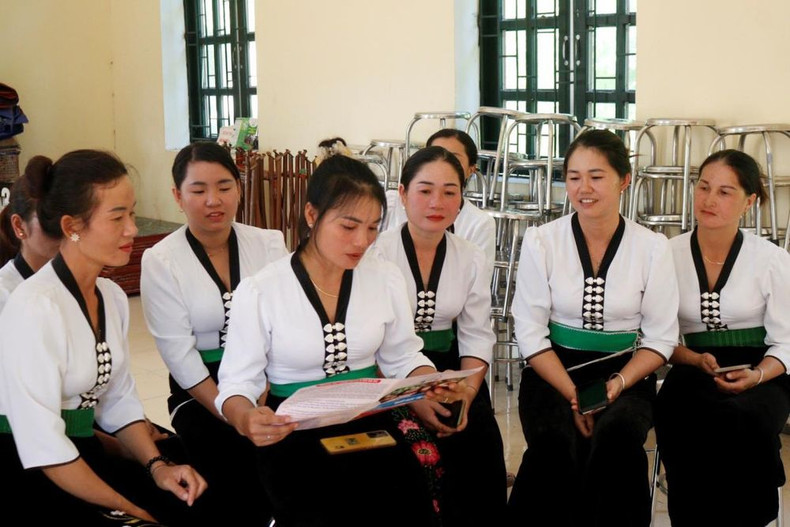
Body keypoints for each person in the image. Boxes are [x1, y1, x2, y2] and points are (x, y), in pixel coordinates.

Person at [216, 154, 465, 527]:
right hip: (294, 428)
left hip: (372, 414)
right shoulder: (262, 290)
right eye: (348, 226)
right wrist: (246, 417)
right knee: (323, 504)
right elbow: (237, 383)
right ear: (312, 215)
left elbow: (403, 354)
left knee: (409, 493)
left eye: (372, 228)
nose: (361, 241)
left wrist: (429, 384)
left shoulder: (384, 277)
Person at [0, 150, 207, 525]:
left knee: (193, 495)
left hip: (82, 446)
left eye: (132, 213)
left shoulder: (111, 297)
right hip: (30, 461)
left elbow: (118, 400)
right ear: (71, 226)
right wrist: (126, 506)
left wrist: (158, 467)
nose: (132, 228)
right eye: (117, 217)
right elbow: (42, 442)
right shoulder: (34, 306)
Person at [507, 129, 680, 527]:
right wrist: (575, 396)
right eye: (573, 177)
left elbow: (659, 339)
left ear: (624, 179)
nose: (584, 188)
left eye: (597, 177)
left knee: (617, 441)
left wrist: (615, 386)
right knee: (554, 444)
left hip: (625, 372)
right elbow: (530, 332)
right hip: (553, 371)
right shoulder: (541, 241)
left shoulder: (653, 247)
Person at [140, 141, 288, 525]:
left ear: (239, 188)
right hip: (202, 390)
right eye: (198, 190)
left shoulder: (269, 243)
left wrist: (259, 396)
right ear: (177, 196)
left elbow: (285, 326)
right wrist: (234, 411)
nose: (213, 200)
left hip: (270, 380)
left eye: (224, 187)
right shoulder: (160, 260)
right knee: (230, 460)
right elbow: (179, 355)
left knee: (298, 458)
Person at [369, 145, 508, 525]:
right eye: (425, 190)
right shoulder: (375, 254)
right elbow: (375, 343)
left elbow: (478, 336)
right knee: (407, 456)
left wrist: (467, 391)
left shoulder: (471, 256)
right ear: (402, 194)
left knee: (479, 444)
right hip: (388, 375)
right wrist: (414, 395)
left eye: (450, 191)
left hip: (452, 373)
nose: (437, 202)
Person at [653, 149, 790, 527]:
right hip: (692, 366)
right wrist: (694, 359)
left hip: (762, 371)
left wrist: (758, 374)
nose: (709, 200)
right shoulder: (666, 254)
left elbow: (788, 342)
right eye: (704, 187)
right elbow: (656, 336)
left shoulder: (772, 260)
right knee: (680, 416)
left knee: (740, 418)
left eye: (725, 192)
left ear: (749, 201)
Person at [383, 129, 495, 277]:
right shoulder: (389, 208)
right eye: (425, 191)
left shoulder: (478, 228)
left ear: (470, 170)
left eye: (453, 158)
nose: (444, 162)